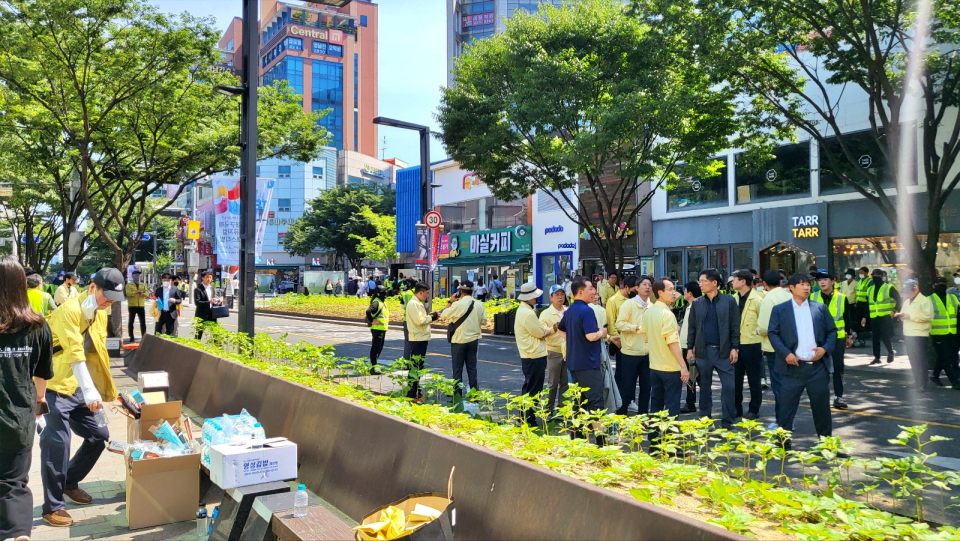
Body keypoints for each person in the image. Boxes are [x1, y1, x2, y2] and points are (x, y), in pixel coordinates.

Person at [41, 268, 124, 527]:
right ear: (92, 288)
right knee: (58, 444)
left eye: (114, 299)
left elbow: (97, 352)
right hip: (54, 385)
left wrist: (107, 390)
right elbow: (75, 352)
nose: (109, 302)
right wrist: (90, 390)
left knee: (99, 434)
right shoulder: (69, 310)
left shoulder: (100, 312)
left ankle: (69, 481)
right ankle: (52, 507)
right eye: (106, 296)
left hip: (78, 386)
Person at [0, 256, 54, 539]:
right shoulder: (38, 326)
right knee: (14, 481)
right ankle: (18, 533)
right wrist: (38, 402)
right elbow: (42, 375)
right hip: (20, 415)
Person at [767, 274, 836, 443]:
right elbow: (773, 333)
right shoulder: (780, 309)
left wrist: (824, 349)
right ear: (791, 287)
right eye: (802, 284)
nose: (806, 288)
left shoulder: (819, 308)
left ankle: (826, 445)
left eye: (808, 284)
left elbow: (832, 331)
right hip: (792, 368)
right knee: (786, 409)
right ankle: (783, 445)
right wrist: (786, 353)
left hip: (817, 368)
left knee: (822, 409)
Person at [686, 269, 740, 428]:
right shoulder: (697, 303)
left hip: (724, 352)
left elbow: (735, 326)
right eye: (700, 281)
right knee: (704, 388)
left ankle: (728, 421)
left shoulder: (729, 301)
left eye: (703, 281)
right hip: (703, 352)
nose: (700, 284)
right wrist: (689, 348)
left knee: (729, 387)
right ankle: (705, 420)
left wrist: (735, 347)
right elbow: (692, 328)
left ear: (714, 283)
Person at [558, 278, 608, 445]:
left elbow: (561, 330)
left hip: (573, 363)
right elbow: (591, 336)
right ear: (580, 291)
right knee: (595, 401)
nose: (594, 291)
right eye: (591, 288)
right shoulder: (587, 311)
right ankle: (601, 440)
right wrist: (602, 332)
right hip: (588, 363)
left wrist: (575, 339)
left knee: (578, 402)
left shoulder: (570, 310)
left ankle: (577, 438)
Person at [643, 277, 690, 417]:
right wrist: (683, 366)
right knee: (672, 405)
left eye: (674, 289)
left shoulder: (649, 311)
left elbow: (645, 334)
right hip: (671, 367)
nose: (674, 292)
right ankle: (670, 431)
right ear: (660, 293)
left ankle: (654, 431)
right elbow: (672, 343)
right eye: (670, 289)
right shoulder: (667, 314)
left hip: (654, 366)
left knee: (656, 404)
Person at [514, 282, 557, 426]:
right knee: (534, 389)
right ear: (528, 297)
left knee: (529, 387)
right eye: (534, 296)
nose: (536, 298)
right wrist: (554, 328)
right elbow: (540, 333)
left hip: (529, 354)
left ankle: (524, 416)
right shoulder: (528, 313)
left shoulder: (523, 310)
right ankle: (528, 418)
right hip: (534, 354)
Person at [811, 271, 853, 409]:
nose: (822, 282)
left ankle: (838, 397)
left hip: (837, 338)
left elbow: (847, 318)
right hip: (818, 339)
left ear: (833, 281)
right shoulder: (812, 297)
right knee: (819, 368)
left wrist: (849, 336)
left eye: (825, 279)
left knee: (837, 368)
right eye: (819, 280)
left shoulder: (842, 298)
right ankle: (820, 396)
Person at [757, 270, 794, 426]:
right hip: (790, 347)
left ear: (764, 283)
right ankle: (788, 420)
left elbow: (764, 327)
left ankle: (782, 422)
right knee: (788, 386)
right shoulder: (789, 295)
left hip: (774, 348)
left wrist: (757, 330)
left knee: (778, 387)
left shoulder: (769, 298)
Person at [439, 281, 486, 398]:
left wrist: (450, 301)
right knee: (472, 368)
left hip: (459, 340)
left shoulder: (457, 304)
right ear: (472, 291)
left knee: (457, 369)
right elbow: (484, 321)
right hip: (473, 340)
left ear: (460, 291)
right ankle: (474, 394)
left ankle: (457, 394)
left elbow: (443, 315)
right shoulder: (480, 304)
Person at [615, 275, 653, 415]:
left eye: (649, 285)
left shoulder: (652, 306)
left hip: (648, 353)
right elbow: (619, 324)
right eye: (644, 284)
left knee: (646, 387)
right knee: (628, 386)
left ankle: (643, 415)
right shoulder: (629, 304)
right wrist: (635, 327)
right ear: (636, 288)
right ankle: (622, 414)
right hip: (630, 352)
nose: (648, 287)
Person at [731, 269, 764, 420]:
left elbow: (763, 321)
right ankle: (736, 408)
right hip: (736, 345)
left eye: (735, 279)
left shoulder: (757, 299)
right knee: (735, 379)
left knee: (753, 379)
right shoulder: (733, 299)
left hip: (753, 344)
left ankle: (754, 409)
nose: (732, 282)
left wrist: (756, 334)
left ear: (743, 281)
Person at [894, 279, 933, 390]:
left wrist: (909, 316)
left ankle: (922, 383)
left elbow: (928, 316)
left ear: (915, 289)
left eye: (908, 291)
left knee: (921, 360)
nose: (907, 293)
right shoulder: (907, 301)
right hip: (908, 334)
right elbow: (904, 315)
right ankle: (917, 381)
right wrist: (900, 315)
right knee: (913, 360)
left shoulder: (925, 301)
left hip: (920, 335)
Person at [404, 283, 437, 400]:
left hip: (421, 338)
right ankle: (411, 394)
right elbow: (420, 321)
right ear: (420, 292)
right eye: (426, 293)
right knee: (415, 367)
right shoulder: (413, 304)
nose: (427, 295)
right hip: (417, 339)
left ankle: (416, 392)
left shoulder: (418, 303)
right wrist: (432, 317)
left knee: (418, 367)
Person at [539, 285, 568, 413]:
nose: (560, 297)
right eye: (557, 295)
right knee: (552, 383)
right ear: (551, 297)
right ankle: (548, 410)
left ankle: (562, 410)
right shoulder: (545, 314)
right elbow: (542, 332)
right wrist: (554, 328)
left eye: (562, 294)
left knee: (565, 383)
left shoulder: (568, 310)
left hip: (568, 351)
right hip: (554, 351)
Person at [862, 268, 899, 365]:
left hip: (886, 316)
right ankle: (877, 357)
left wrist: (894, 311)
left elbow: (899, 299)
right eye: (873, 276)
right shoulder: (870, 289)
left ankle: (890, 352)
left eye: (877, 276)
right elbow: (867, 305)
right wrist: (864, 317)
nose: (875, 278)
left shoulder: (889, 287)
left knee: (885, 336)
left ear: (882, 277)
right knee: (875, 337)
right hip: (874, 316)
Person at [929, 277, 960, 389]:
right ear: (934, 286)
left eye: (944, 283)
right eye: (939, 283)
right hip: (938, 334)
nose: (942, 285)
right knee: (946, 358)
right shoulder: (929, 300)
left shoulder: (953, 298)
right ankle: (955, 381)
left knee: (948, 357)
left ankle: (935, 375)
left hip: (952, 333)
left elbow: (958, 314)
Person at [679, 281, 702, 414]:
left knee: (695, 376)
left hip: (690, 348)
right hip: (686, 346)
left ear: (690, 293)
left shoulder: (696, 307)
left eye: (685, 290)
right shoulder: (690, 306)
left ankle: (692, 403)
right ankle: (690, 402)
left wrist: (692, 347)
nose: (683, 293)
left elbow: (696, 329)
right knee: (691, 376)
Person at [605, 276, 633, 376]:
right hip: (620, 340)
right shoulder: (613, 300)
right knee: (621, 370)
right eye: (635, 289)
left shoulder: (633, 299)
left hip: (633, 340)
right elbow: (611, 321)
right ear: (627, 287)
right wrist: (617, 340)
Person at [366, 286, 389, 369]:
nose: (385, 294)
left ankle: (373, 364)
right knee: (376, 348)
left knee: (379, 348)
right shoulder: (377, 302)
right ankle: (373, 366)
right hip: (377, 329)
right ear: (378, 294)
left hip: (382, 329)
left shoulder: (382, 302)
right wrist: (372, 321)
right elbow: (368, 311)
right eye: (383, 292)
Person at [194, 271, 221, 340]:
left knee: (215, 333)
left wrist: (218, 301)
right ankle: (195, 345)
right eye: (207, 277)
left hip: (212, 313)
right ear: (202, 278)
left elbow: (214, 299)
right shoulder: (198, 289)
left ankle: (217, 346)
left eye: (210, 277)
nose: (209, 279)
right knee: (199, 334)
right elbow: (197, 302)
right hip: (201, 315)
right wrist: (209, 302)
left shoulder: (212, 288)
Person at [124, 269, 148, 343]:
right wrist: (137, 292)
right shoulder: (129, 285)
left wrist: (143, 294)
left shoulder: (143, 284)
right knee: (131, 321)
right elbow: (128, 294)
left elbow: (147, 294)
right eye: (136, 275)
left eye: (138, 275)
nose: (137, 277)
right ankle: (131, 337)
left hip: (141, 305)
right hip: (132, 306)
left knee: (143, 322)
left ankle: (144, 337)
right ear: (133, 276)